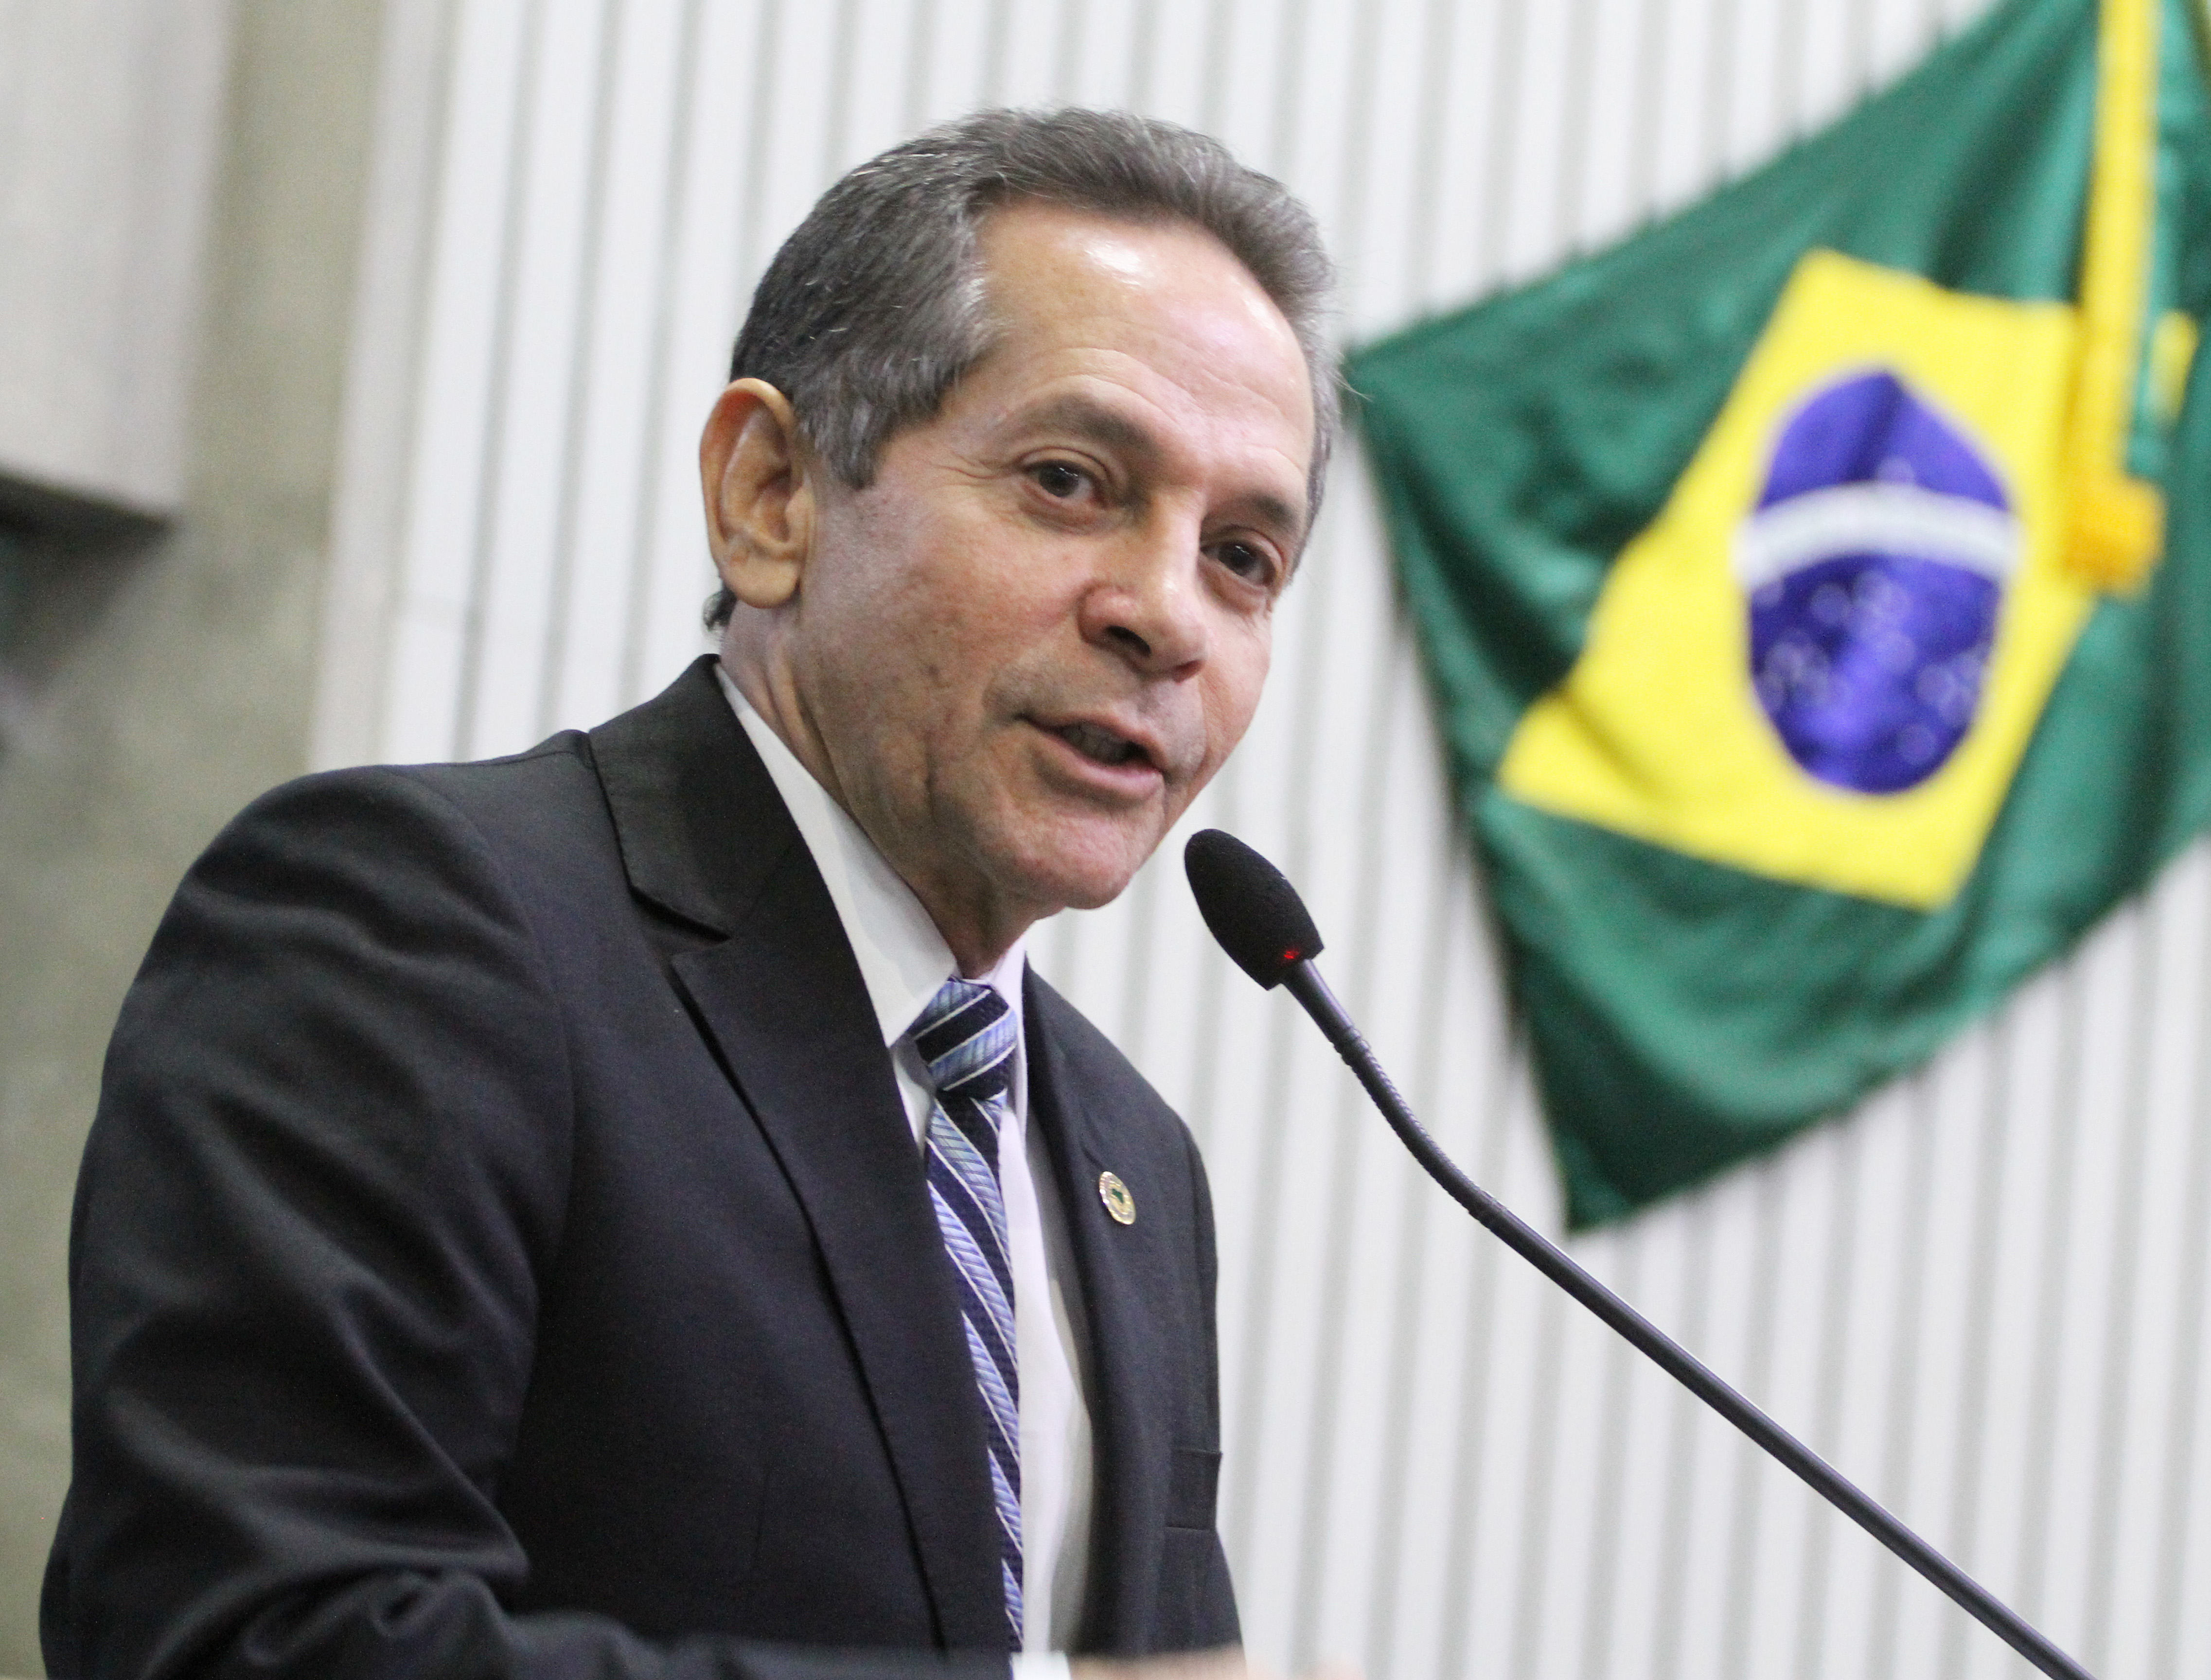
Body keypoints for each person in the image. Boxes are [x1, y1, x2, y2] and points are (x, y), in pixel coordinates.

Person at [43, 108, 1336, 1680]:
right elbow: (251, 1640)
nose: (1168, 617)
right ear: (772, 495)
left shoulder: (1131, 1157)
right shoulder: (415, 934)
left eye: (1245, 558)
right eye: (1070, 481)